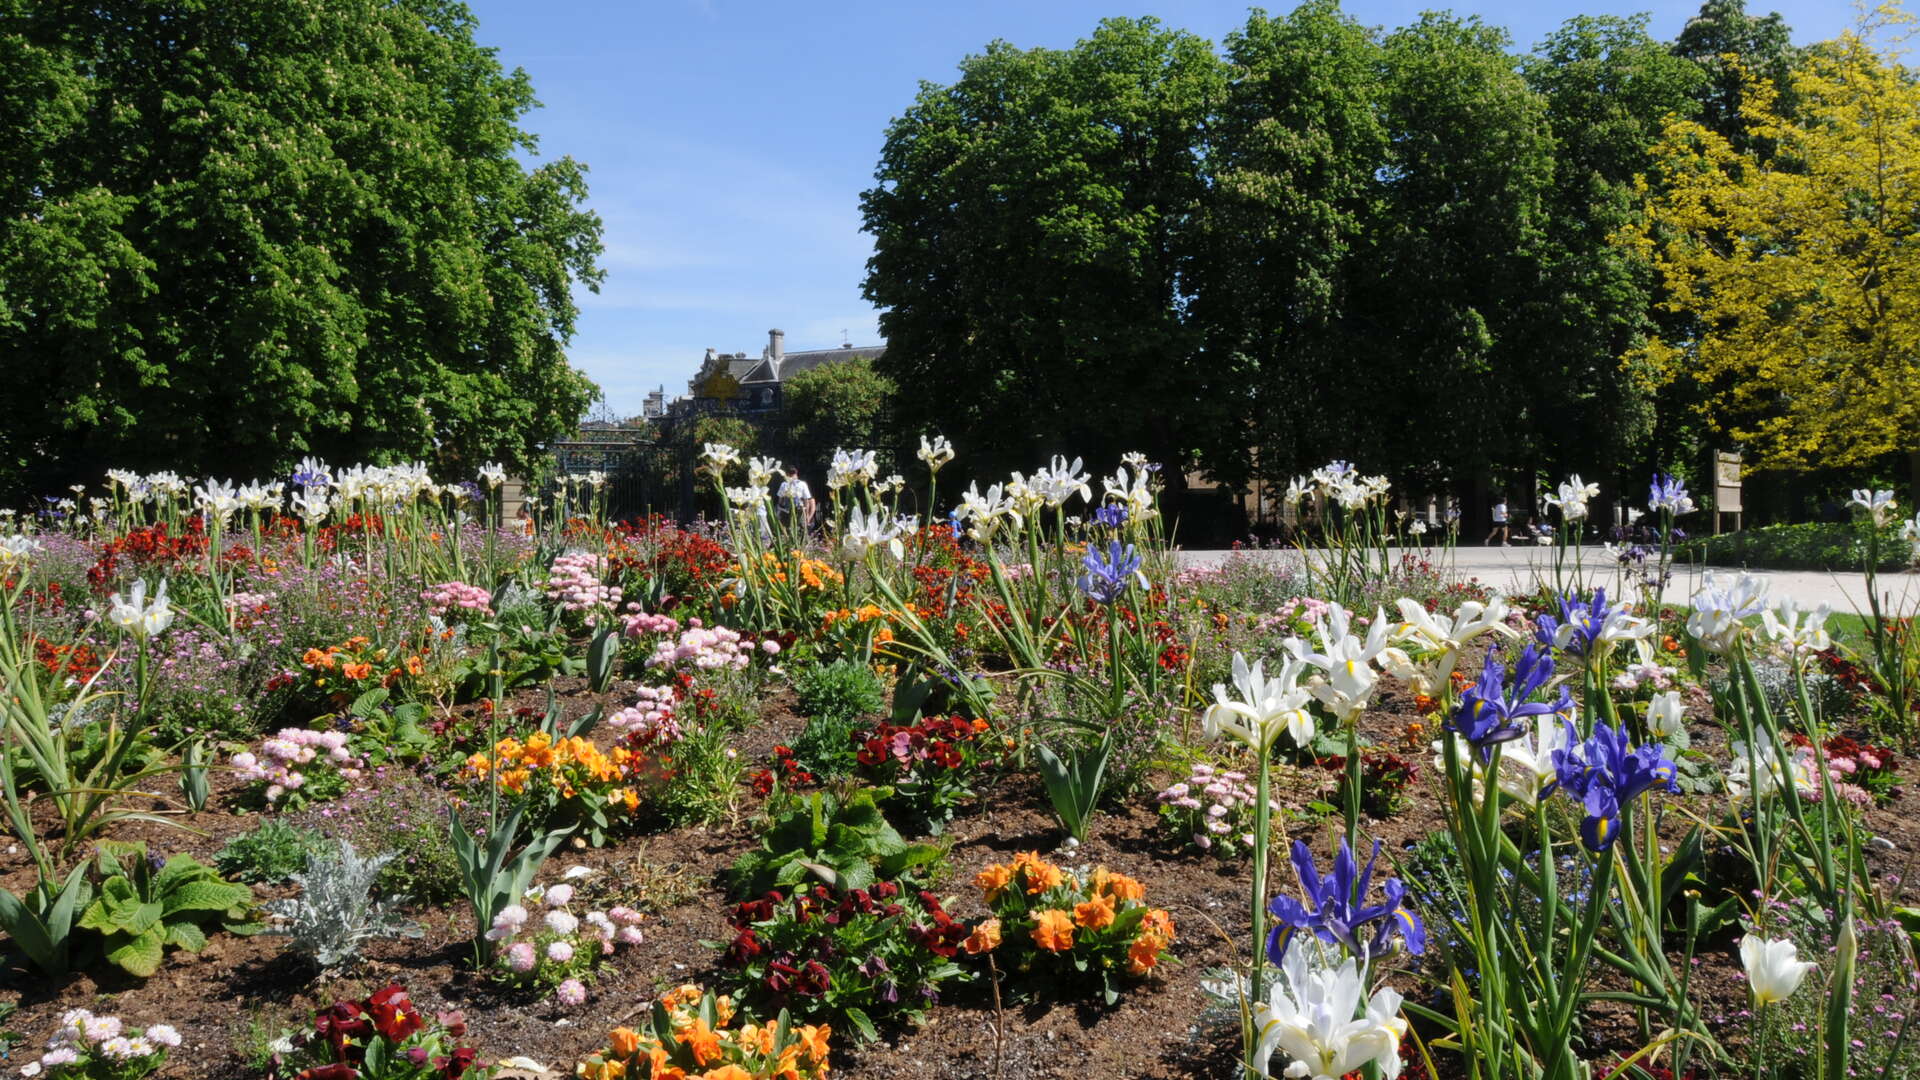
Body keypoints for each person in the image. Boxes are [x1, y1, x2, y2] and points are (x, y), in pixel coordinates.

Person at [777, 467, 815, 534]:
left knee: (799, 529)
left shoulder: (801, 484)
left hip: (797, 510)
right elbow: (780, 500)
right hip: (789, 510)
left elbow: (806, 500)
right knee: (791, 529)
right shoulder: (785, 484)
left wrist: (806, 515)